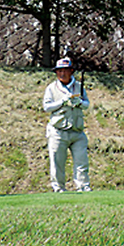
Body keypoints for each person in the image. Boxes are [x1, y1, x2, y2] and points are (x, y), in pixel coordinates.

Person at [43, 57, 91, 192]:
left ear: (71, 71)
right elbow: (47, 107)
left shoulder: (79, 86)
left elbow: (87, 104)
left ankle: (83, 187)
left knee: (81, 162)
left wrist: (80, 103)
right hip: (58, 131)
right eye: (59, 71)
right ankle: (59, 189)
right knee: (57, 163)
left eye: (65, 71)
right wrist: (62, 102)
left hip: (77, 130)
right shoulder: (52, 88)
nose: (62, 74)